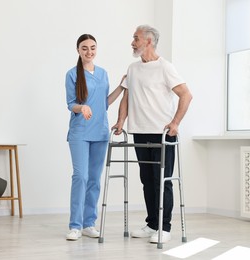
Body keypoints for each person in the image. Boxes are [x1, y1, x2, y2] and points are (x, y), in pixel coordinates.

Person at [113, 25, 193, 244]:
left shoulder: (165, 67)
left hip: (162, 134)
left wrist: (175, 122)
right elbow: (126, 98)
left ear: (149, 41)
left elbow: (186, 95)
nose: (132, 42)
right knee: (146, 180)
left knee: (162, 181)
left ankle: (164, 228)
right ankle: (152, 224)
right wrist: (121, 121)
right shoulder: (132, 68)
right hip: (139, 131)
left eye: (136, 38)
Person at [65, 34, 124, 241]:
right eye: (84, 48)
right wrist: (83, 107)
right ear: (78, 50)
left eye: (92, 48)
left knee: (94, 180)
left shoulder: (103, 74)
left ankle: (89, 224)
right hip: (80, 132)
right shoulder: (72, 74)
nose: (89, 52)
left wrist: (121, 86)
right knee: (80, 177)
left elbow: (105, 103)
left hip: (100, 133)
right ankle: (75, 225)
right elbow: (70, 104)